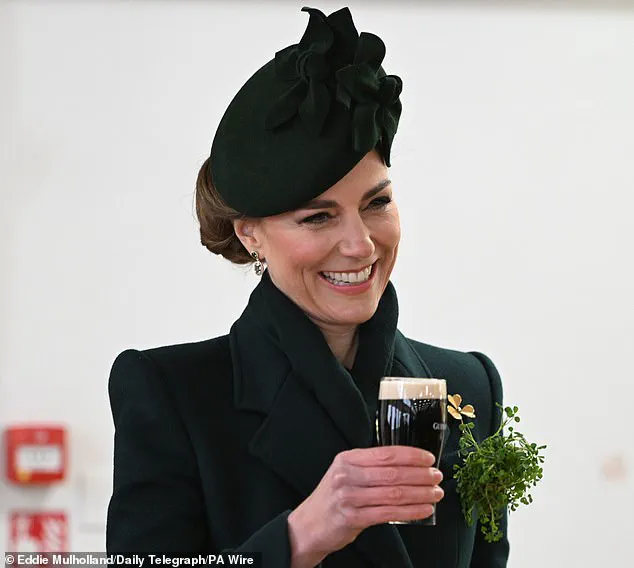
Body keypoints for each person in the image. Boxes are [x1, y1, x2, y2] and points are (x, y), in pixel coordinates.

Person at [106, 6, 509, 567]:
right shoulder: (175, 395)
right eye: (317, 218)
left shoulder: (470, 386)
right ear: (251, 235)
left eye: (377, 203)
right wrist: (299, 536)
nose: (361, 245)